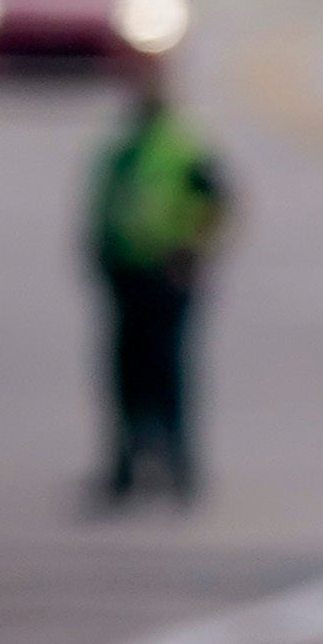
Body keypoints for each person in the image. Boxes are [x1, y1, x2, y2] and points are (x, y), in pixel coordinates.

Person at [87, 46, 232, 504]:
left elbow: (218, 204)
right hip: (126, 275)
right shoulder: (123, 148)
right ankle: (126, 465)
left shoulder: (184, 145)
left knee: (167, 372)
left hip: (168, 275)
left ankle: (178, 464)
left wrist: (192, 252)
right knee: (125, 374)